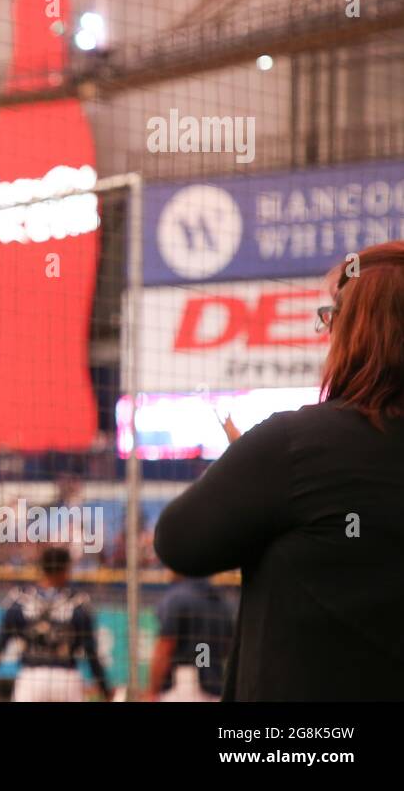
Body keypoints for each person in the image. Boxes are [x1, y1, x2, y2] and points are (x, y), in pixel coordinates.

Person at [154, 241, 404, 700]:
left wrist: (250, 469)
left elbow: (178, 542)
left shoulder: (297, 443)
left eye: (333, 317)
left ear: (358, 330)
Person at [0, 546, 112, 702]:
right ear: (65, 568)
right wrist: (105, 691)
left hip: (31, 678)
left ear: (42, 567)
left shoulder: (19, 599)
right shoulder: (79, 602)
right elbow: (91, 654)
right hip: (67, 678)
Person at [146, 571, 234, 701]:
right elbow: (227, 648)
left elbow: (165, 647)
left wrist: (152, 691)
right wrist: (204, 659)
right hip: (215, 689)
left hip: (181, 688)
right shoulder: (222, 601)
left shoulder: (177, 597)